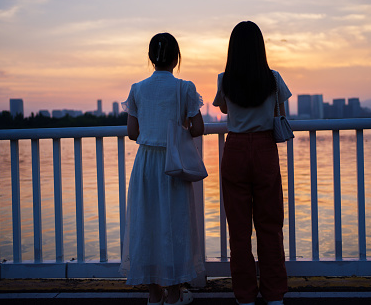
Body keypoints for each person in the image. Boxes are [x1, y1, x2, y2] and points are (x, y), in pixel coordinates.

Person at [120, 32, 205, 305]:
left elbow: (133, 132)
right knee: (174, 223)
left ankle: (153, 292)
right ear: (176, 58)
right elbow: (199, 127)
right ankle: (175, 291)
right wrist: (177, 128)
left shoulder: (137, 88)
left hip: (145, 163)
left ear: (150, 57)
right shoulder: (185, 88)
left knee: (147, 223)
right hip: (173, 163)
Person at [213, 21, 291, 305]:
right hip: (264, 148)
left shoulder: (225, 79)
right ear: (261, 47)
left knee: (239, 228)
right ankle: (274, 294)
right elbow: (280, 109)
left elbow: (223, 108)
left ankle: (244, 295)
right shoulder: (273, 77)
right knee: (270, 224)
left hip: (234, 149)